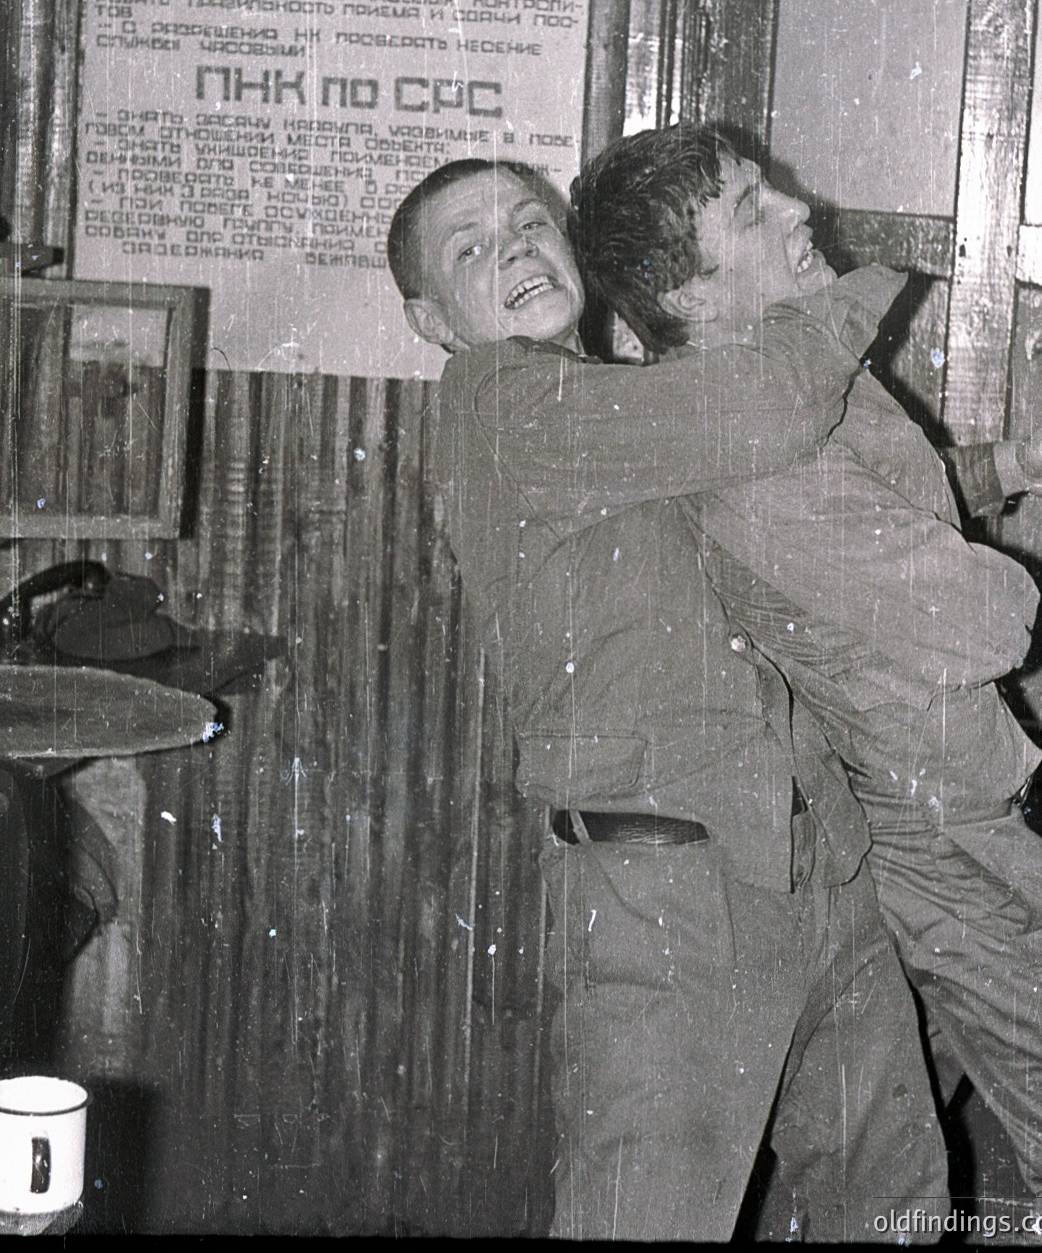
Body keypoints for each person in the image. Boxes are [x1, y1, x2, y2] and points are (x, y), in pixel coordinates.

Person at [387, 157, 947, 1241]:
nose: (511, 250)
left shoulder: (629, 400)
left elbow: (828, 500)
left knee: (894, 1211)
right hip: (666, 887)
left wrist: (1028, 462)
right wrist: (853, 287)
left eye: (528, 221)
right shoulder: (503, 403)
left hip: (815, 856)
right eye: (469, 250)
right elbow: (770, 409)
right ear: (429, 320)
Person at [569, 121, 1042, 1238]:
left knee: (928, 1151)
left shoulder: (778, 381)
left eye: (772, 189)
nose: (796, 210)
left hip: (928, 815)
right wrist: (996, 585)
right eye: (750, 212)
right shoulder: (755, 452)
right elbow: (976, 624)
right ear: (693, 294)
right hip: (943, 838)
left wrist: (1009, 470)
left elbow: (880, 516)